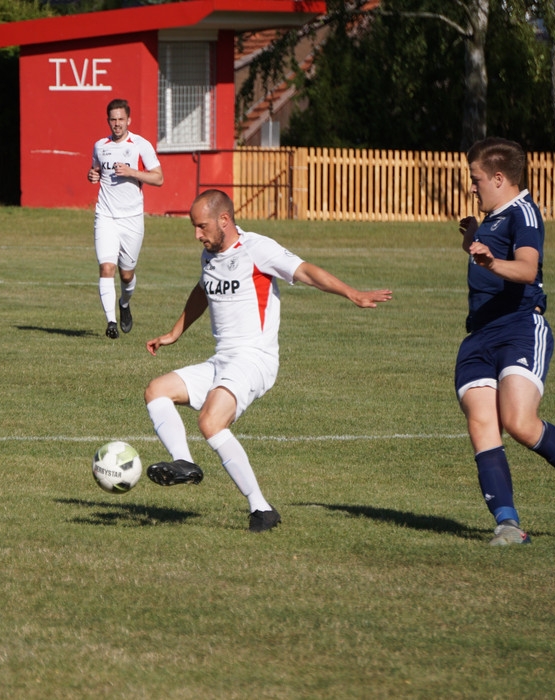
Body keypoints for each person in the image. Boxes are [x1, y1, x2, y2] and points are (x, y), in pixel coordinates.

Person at [144, 189, 392, 532]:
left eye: (201, 226)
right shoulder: (210, 255)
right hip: (223, 360)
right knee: (156, 390)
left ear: (224, 220)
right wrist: (174, 333)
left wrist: (352, 293)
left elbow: (305, 271)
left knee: (210, 422)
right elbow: (202, 291)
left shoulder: (257, 248)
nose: (196, 234)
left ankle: (258, 506)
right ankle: (190, 465)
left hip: (254, 359)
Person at [456, 137, 555, 546]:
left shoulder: (524, 213)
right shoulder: (493, 217)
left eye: (476, 180)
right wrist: (474, 241)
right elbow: (487, 264)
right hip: (479, 335)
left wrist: (490, 260)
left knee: (519, 422)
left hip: (519, 328)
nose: (472, 187)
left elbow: (528, 270)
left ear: (499, 177)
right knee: (482, 423)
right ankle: (508, 525)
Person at [88, 98, 163, 339]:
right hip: (106, 215)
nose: (117, 123)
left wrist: (132, 172)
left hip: (132, 218)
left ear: (128, 120)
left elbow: (159, 178)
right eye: (113, 119)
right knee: (106, 267)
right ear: (108, 120)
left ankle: (124, 303)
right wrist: (92, 175)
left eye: (121, 119)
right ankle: (111, 322)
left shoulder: (140, 145)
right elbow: (97, 170)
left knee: (126, 274)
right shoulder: (100, 145)